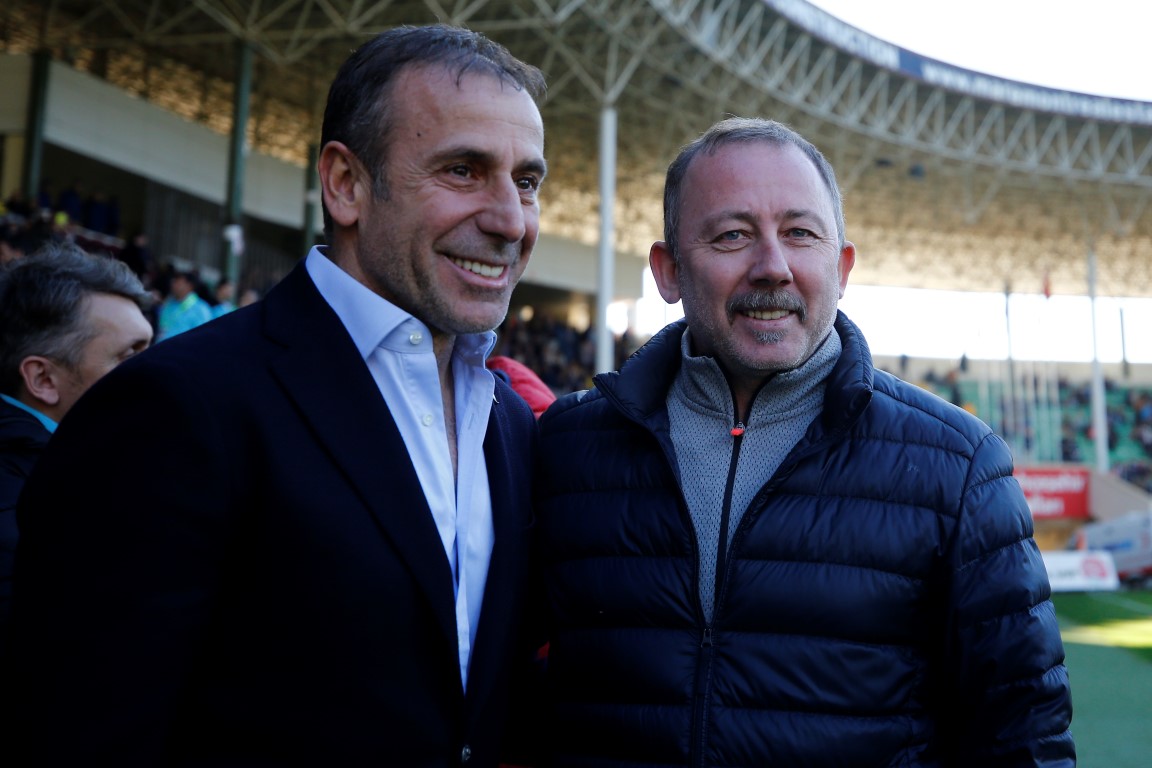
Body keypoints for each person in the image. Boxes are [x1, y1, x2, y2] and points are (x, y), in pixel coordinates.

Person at [6, 23, 546, 767]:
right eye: (463, 170)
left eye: (527, 182)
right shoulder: (175, 407)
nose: (511, 220)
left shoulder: (509, 423)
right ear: (346, 184)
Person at [534, 117, 1075, 767]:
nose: (772, 267)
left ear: (841, 267)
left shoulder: (959, 467)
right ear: (669, 271)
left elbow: (1024, 739)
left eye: (800, 234)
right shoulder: (566, 449)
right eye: (732, 235)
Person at [0, 242, 152, 648]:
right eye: (130, 356)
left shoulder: (85, 466)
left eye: (150, 350)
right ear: (43, 379)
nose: (158, 373)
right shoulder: (21, 517)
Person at [155, 267, 213, 340]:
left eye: (178, 283)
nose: (173, 285)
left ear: (190, 286)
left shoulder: (201, 308)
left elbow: (202, 336)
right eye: (174, 282)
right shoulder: (169, 303)